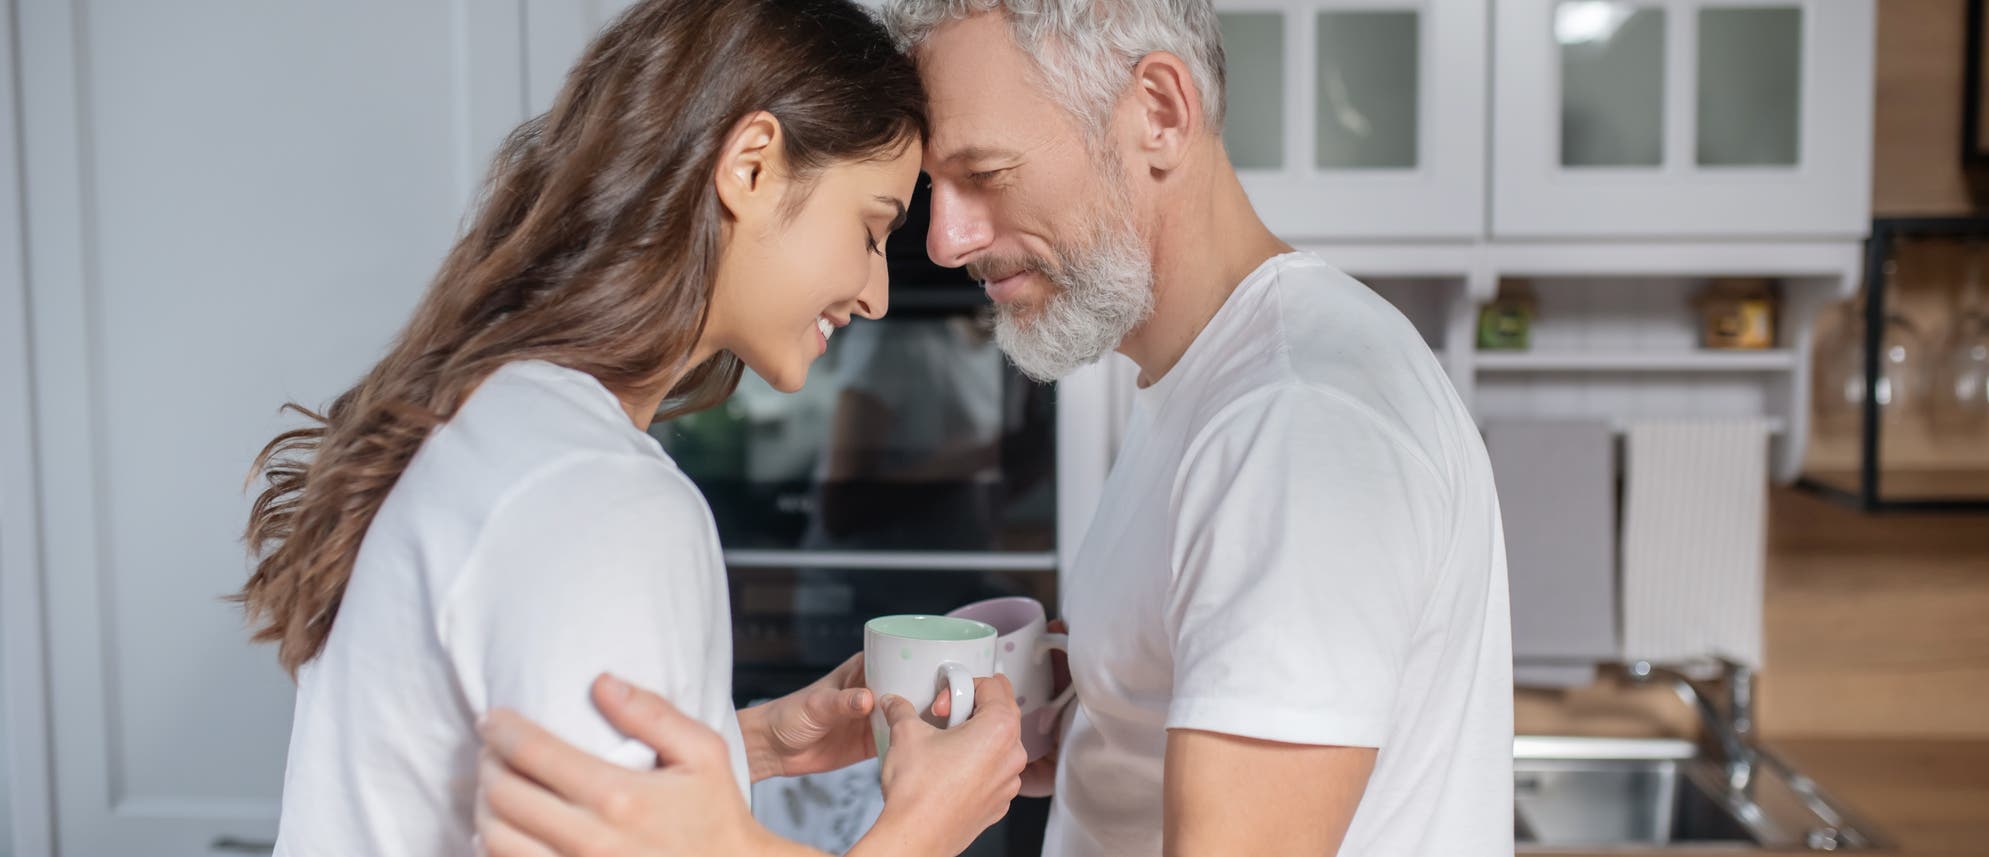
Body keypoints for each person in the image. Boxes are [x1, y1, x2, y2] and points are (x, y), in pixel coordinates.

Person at [481, 0, 1516, 854]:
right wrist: (1106, 720)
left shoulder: (1294, 421)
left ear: (1156, 110)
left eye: (984, 175)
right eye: (935, 190)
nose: (944, 235)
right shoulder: (1204, 391)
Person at [234, 1, 1025, 855]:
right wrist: (924, 828)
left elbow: (561, 791)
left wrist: (750, 742)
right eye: (872, 230)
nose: (877, 292)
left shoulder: (502, 420)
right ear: (751, 166)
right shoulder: (602, 496)